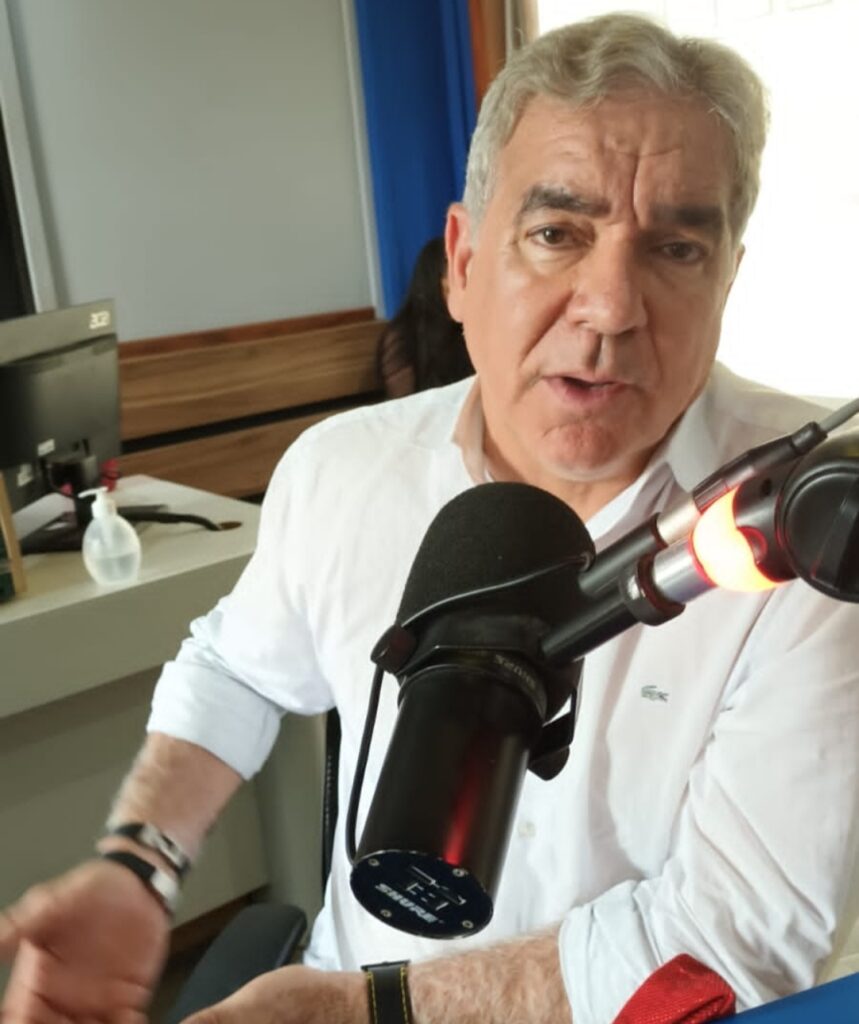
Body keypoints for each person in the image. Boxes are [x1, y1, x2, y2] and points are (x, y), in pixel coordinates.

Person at [2, 12, 859, 1024]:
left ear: (726, 281)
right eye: (556, 233)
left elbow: (734, 938)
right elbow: (235, 670)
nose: (610, 307)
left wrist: (365, 1012)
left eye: (675, 248)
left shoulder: (808, 529)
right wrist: (138, 864)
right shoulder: (342, 470)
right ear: (461, 262)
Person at [376, 236, 473, 398]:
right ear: (435, 279)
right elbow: (404, 404)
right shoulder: (404, 336)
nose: (465, 282)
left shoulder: (466, 327)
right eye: (456, 272)